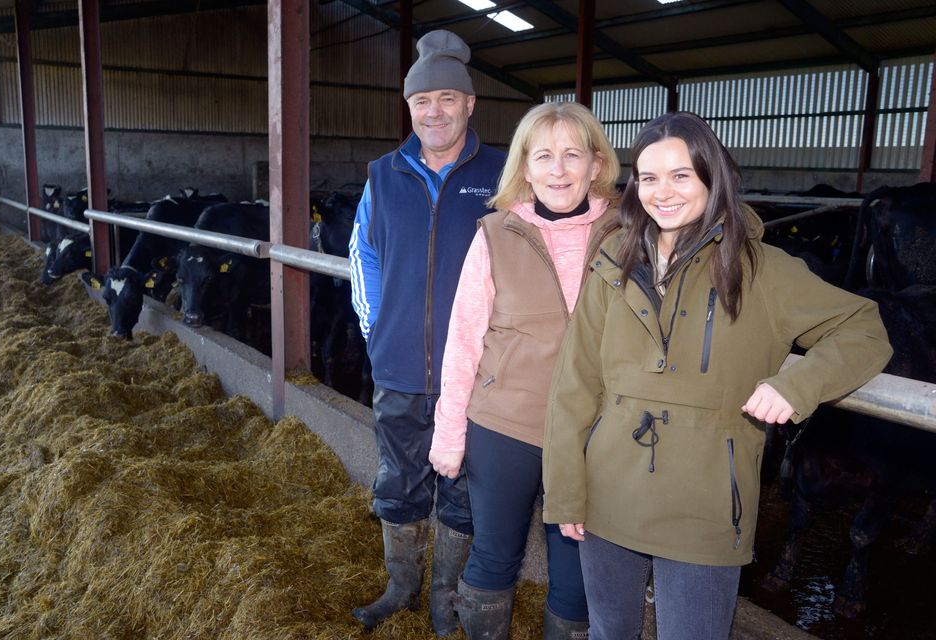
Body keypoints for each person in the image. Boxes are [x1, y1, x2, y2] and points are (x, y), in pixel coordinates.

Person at [542, 111, 893, 640]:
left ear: (713, 177)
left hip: (705, 504)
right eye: (649, 177)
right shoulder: (612, 261)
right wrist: (566, 491)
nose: (663, 192)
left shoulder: (761, 270)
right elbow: (575, 384)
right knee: (608, 632)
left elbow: (864, 329)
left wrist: (796, 385)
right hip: (608, 493)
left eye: (682, 175)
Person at [428, 101, 621, 640]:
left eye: (571, 155)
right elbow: (463, 340)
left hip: (592, 434)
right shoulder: (495, 234)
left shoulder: (630, 236)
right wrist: (450, 434)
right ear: (525, 168)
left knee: (576, 573)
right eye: (544, 157)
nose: (558, 170)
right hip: (504, 425)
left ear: (596, 165)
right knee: (494, 555)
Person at [348, 29, 506, 636]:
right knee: (397, 481)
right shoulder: (383, 175)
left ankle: (447, 598)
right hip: (399, 369)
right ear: (408, 107)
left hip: (477, 373)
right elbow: (363, 254)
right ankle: (399, 587)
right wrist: (379, 329)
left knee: (463, 488)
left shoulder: (502, 176)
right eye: (421, 101)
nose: (433, 111)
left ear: (469, 104)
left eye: (446, 98)